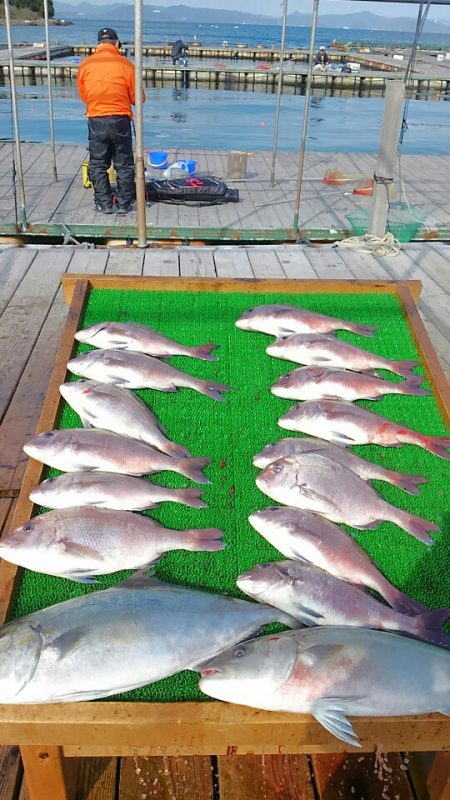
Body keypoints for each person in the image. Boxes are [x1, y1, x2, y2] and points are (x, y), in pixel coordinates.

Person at [77, 27, 145, 215]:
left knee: (98, 163)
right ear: (117, 44)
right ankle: (124, 204)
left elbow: (84, 95)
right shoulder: (127, 65)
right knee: (123, 164)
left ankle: (103, 203)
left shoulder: (85, 65)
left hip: (96, 118)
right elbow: (138, 98)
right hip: (120, 119)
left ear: (98, 45)